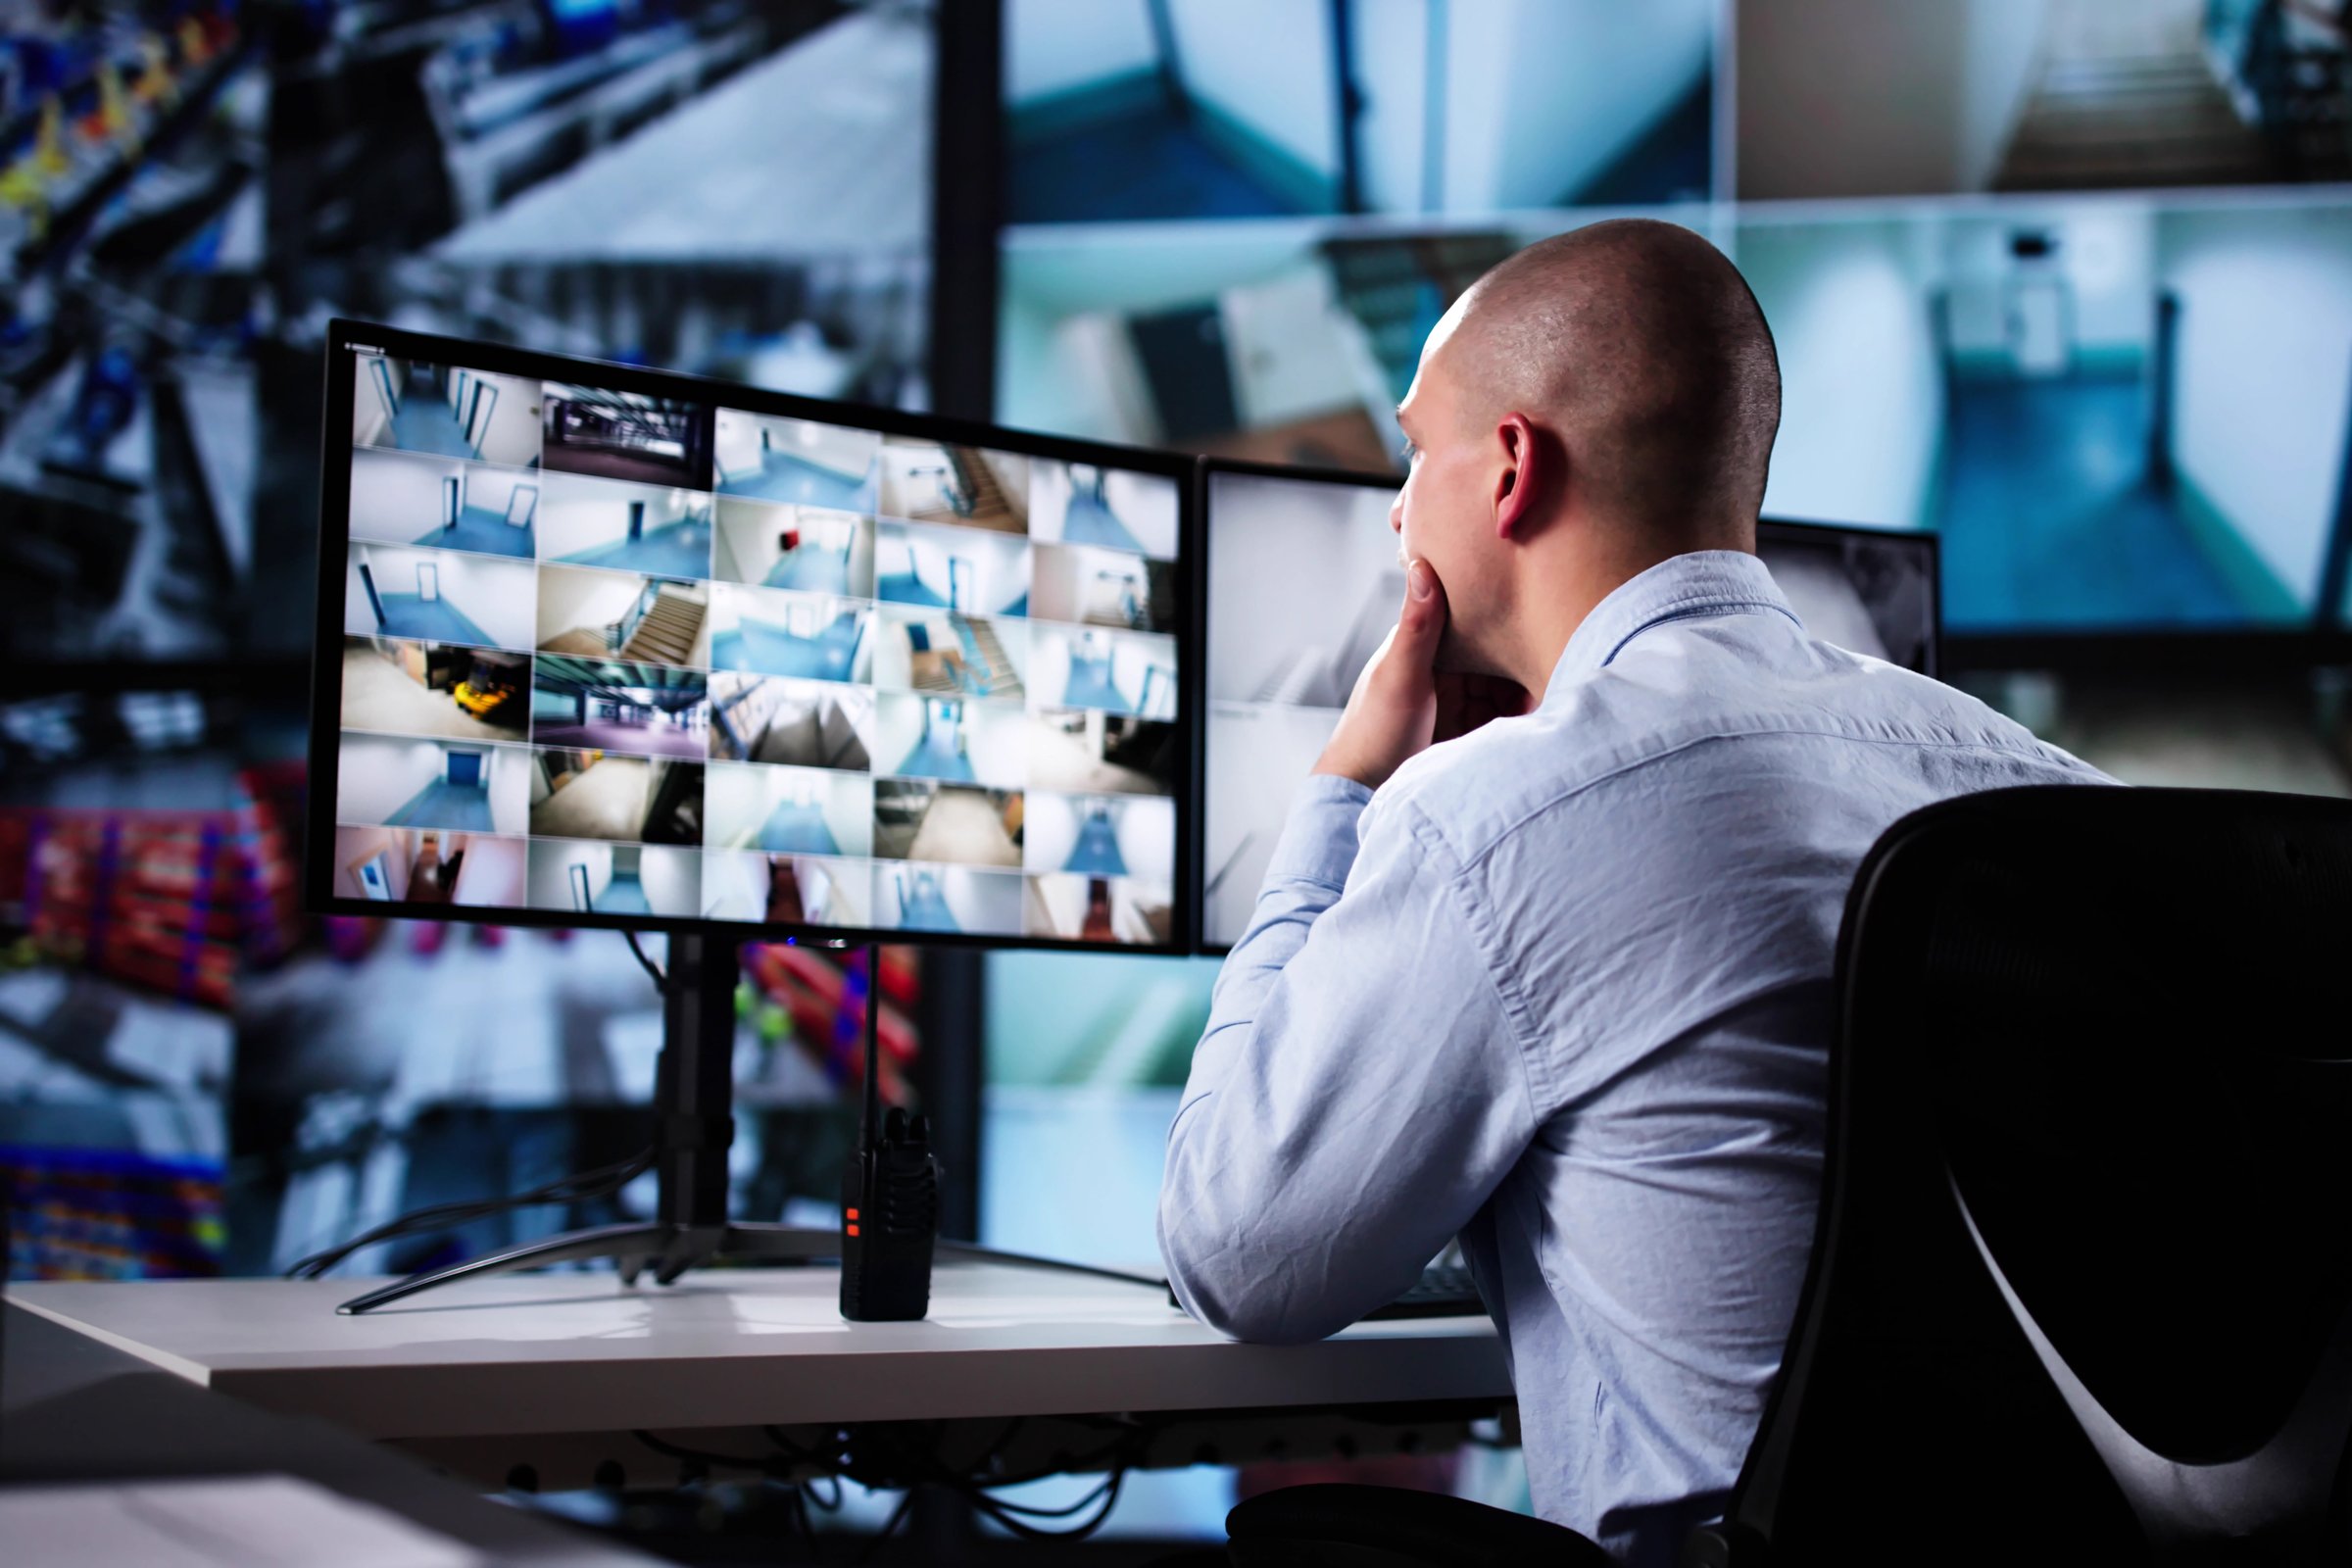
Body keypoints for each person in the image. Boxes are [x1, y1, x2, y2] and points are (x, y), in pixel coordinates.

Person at [1156, 219, 2110, 1565]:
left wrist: (1345, 791)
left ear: (1511, 467)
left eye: (1415, 451)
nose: (1394, 505)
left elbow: (1237, 1255)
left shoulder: (1491, 813)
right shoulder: (2039, 784)